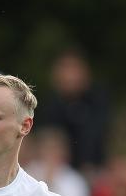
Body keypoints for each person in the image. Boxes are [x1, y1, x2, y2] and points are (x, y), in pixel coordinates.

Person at [35, 50, 110, 178]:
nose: (70, 76)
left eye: (74, 69)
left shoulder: (98, 101)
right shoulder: (49, 106)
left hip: (94, 170)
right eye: (65, 69)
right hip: (60, 172)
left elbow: (97, 136)